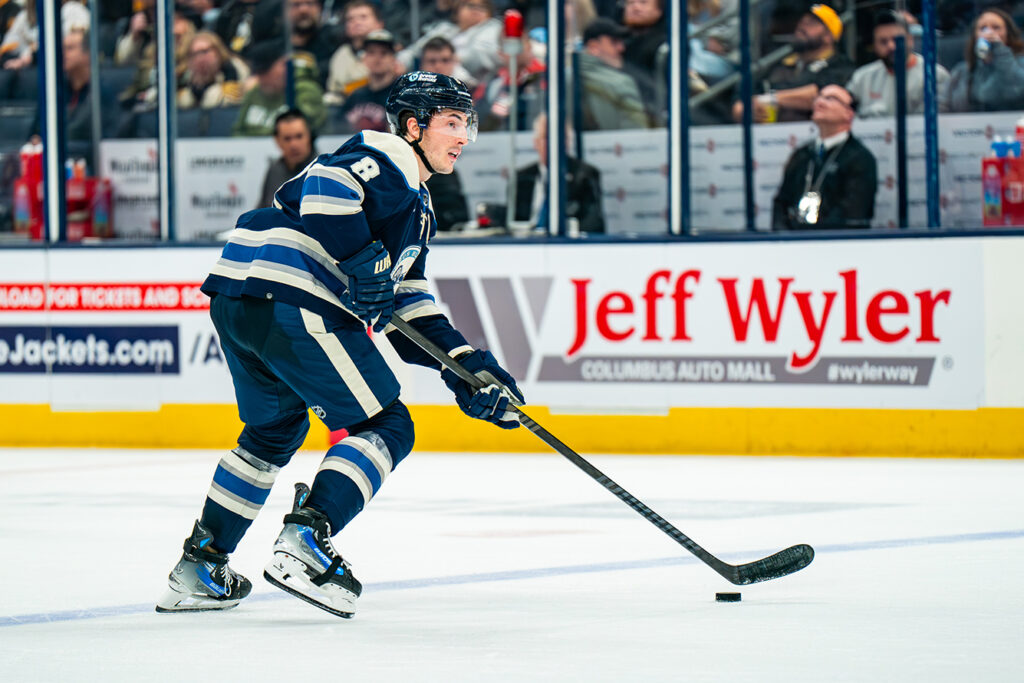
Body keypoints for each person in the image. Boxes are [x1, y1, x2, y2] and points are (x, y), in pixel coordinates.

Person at [156, 71, 524, 618]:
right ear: (412, 125)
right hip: (291, 295)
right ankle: (306, 541)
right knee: (388, 426)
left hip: (240, 291)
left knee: (273, 431)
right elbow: (328, 187)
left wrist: (467, 369)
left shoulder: (415, 208)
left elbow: (406, 301)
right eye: (451, 123)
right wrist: (361, 261)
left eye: (466, 123)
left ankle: (200, 566)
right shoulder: (388, 153)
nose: (464, 136)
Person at [772, 84, 876, 230]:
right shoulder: (802, 154)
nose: (819, 102)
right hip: (794, 244)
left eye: (830, 99)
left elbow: (853, 212)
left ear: (849, 113)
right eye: (819, 97)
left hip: (838, 244)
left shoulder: (860, 158)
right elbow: (781, 203)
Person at [733, 4, 854, 123]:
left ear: (828, 36)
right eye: (801, 21)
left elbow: (823, 94)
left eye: (811, 23)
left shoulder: (840, 65)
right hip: (769, 137)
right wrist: (741, 109)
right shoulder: (779, 64)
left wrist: (772, 98)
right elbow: (745, 92)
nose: (802, 26)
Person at [845, 10, 951, 118]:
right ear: (875, 46)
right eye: (883, 41)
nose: (891, 46)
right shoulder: (862, 77)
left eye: (896, 40)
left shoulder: (934, 75)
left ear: (910, 40)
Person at [514, 111, 605, 233]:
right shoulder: (521, 178)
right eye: (547, 137)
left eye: (561, 137)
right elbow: (512, 224)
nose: (554, 143)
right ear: (535, 143)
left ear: (569, 142)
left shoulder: (585, 175)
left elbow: (594, 224)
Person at [233, 39, 326, 136]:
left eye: (266, 72)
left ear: (283, 65)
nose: (262, 79)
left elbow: (306, 132)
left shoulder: (306, 91)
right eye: (258, 73)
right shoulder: (254, 93)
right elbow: (238, 131)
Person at [577, 18, 649, 130]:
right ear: (593, 47)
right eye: (614, 42)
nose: (622, 48)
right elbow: (636, 138)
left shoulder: (560, 81)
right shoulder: (621, 83)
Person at [949, 8, 1024, 112]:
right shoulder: (961, 71)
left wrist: (1000, 51)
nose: (989, 33)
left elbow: (1018, 89)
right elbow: (943, 105)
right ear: (975, 36)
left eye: (996, 28)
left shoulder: (1021, 64)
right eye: (983, 28)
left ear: (1008, 34)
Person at [331, 28, 401, 133]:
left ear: (393, 58)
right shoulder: (356, 95)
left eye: (384, 53)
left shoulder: (400, 96)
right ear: (364, 58)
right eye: (371, 52)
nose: (377, 58)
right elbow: (337, 128)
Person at [324, 0, 386, 105]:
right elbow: (334, 91)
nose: (357, 22)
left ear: (379, 24)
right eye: (350, 19)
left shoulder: (392, 50)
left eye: (363, 17)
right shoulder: (340, 55)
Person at [257, 108, 318, 208]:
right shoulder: (274, 170)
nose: (294, 145)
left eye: (299, 136)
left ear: (309, 136)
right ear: (277, 141)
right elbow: (262, 209)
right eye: (287, 138)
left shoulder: (322, 171)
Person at [176, 30, 247, 110]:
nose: (200, 59)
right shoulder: (186, 75)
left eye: (204, 52)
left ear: (217, 51)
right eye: (193, 54)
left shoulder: (235, 69)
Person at [289, 0, 337, 88]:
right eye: (296, 5)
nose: (303, 10)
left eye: (310, 4)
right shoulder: (275, 46)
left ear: (320, 8)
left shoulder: (334, 40)